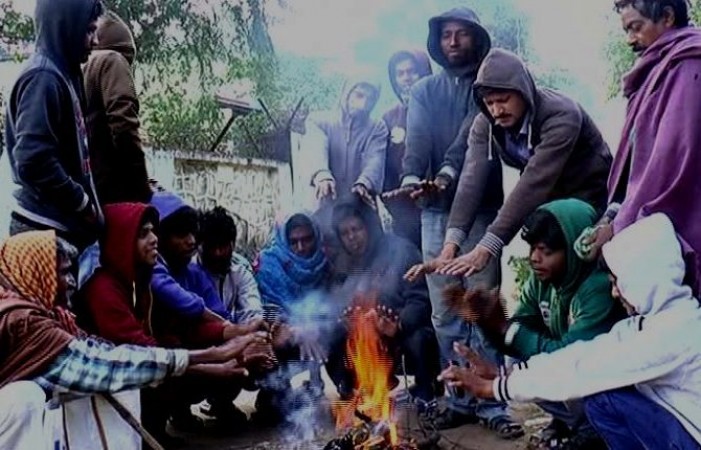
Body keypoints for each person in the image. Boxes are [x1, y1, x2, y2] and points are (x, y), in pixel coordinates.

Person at [440, 213, 701, 450]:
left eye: (619, 283)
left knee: (602, 396)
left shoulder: (673, 331)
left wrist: (496, 389)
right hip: (674, 420)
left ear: (643, 277)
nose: (614, 292)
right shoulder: (648, 321)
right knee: (589, 388)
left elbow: (586, 369)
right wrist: (505, 373)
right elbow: (583, 353)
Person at [0, 230, 263, 448]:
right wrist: (211, 358)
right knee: (26, 398)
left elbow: (100, 348)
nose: (70, 282)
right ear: (35, 272)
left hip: (159, 358)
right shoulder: (22, 321)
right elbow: (102, 364)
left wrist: (210, 358)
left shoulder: (54, 313)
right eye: (61, 273)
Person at [387, 7, 513, 433]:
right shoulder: (423, 89)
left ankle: (493, 401)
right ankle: (459, 398)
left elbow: (470, 144)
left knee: (482, 305)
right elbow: (417, 140)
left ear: (476, 39)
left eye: (462, 34)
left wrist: (445, 176)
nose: (454, 42)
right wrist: (410, 180)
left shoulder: (488, 85)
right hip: (435, 214)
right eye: (446, 35)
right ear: (437, 42)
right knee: (445, 312)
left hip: (480, 210)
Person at [77, 202, 269, 441]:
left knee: (180, 344)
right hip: (112, 380)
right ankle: (152, 434)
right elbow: (145, 352)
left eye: (153, 231)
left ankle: (156, 432)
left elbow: (187, 328)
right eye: (143, 233)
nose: (153, 239)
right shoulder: (105, 288)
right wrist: (215, 364)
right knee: (172, 356)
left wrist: (241, 333)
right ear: (122, 238)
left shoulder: (137, 281)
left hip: (144, 364)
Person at [416, 49, 611, 279]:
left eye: (503, 100)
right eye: (489, 103)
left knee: (590, 273)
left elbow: (534, 181)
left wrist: (488, 246)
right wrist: (449, 248)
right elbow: (471, 180)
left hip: (592, 199)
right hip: (551, 205)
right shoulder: (485, 124)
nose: (497, 110)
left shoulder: (561, 115)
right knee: (550, 280)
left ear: (524, 92)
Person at [446, 199, 623, 448]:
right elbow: (518, 334)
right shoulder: (542, 280)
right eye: (532, 249)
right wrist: (490, 322)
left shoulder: (598, 288)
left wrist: (508, 331)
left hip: (603, 383)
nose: (534, 259)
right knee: (524, 358)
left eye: (546, 251)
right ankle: (569, 423)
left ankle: (593, 433)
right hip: (572, 373)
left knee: (543, 362)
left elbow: (570, 358)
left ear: (573, 249)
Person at [577, 0, 701, 295]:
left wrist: (620, 227)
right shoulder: (658, 70)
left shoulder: (688, 66)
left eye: (636, 27)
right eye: (626, 30)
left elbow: (672, 162)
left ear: (668, 17)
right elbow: (638, 161)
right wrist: (614, 214)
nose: (630, 40)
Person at [149, 191, 273, 431]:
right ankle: (167, 420)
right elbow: (187, 307)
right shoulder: (150, 274)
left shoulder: (196, 273)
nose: (190, 241)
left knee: (246, 351)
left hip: (187, 356)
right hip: (156, 361)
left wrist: (246, 338)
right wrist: (235, 338)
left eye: (192, 234)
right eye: (181, 234)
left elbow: (217, 320)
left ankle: (222, 404)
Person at [4, 0, 104, 249]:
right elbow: (34, 160)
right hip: (43, 233)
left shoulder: (63, 74)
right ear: (66, 27)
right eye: (89, 30)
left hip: (58, 228)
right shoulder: (44, 78)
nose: (96, 41)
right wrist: (82, 203)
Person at [326, 194, 440, 407]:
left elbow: (421, 299)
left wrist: (398, 325)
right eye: (345, 233)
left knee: (419, 337)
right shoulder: (341, 263)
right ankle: (351, 391)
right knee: (329, 334)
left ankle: (425, 391)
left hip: (397, 332)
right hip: (363, 336)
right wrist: (346, 320)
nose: (352, 237)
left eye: (356, 229)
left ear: (369, 227)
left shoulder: (401, 251)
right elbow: (335, 304)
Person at [254, 212, 331, 423]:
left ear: (316, 237)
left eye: (307, 239)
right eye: (294, 241)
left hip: (316, 337)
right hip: (281, 335)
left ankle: (324, 387)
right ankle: (274, 391)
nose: (301, 247)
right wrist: (295, 328)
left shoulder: (325, 262)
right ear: (284, 240)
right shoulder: (269, 264)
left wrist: (313, 327)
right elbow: (265, 311)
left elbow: (333, 303)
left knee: (336, 332)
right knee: (276, 413)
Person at [83, 10, 151, 204]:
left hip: (84, 194)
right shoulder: (112, 61)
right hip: (110, 193)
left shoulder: (76, 69)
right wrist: (142, 189)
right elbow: (124, 125)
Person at [306, 76, 388, 209]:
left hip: (358, 205)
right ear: (346, 93)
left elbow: (375, 159)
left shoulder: (377, 128)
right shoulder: (318, 121)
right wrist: (322, 175)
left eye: (370, 99)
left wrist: (364, 184)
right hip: (322, 202)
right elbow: (316, 147)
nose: (363, 104)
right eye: (359, 95)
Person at [381, 49, 432, 249]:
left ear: (424, 72)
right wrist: (395, 207)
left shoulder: (442, 110)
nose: (406, 78)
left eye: (411, 72)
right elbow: (385, 172)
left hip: (442, 211)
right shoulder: (389, 118)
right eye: (399, 74)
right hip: (405, 216)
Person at [197, 206, 263, 325]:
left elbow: (251, 310)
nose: (217, 253)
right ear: (201, 245)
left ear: (232, 244)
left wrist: (254, 324)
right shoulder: (189, 270)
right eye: (211, 246)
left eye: (222, 246)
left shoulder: (240, 274)